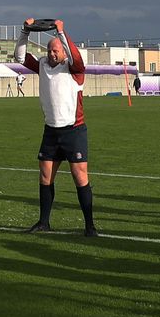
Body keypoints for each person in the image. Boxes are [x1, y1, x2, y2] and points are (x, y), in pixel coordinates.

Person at [15, 18, 97, 235]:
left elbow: (76, 56)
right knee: (45, 176)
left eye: (56, 51)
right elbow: (20, 57)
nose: (52, 54)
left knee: (80, 176)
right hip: (51, 130)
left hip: (74, 130)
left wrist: (61, 32)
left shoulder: (74, 69)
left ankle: (89, 225)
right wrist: (25, 31)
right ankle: (44, 222)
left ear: (64, 53)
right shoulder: (42, 65)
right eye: (50, 50)